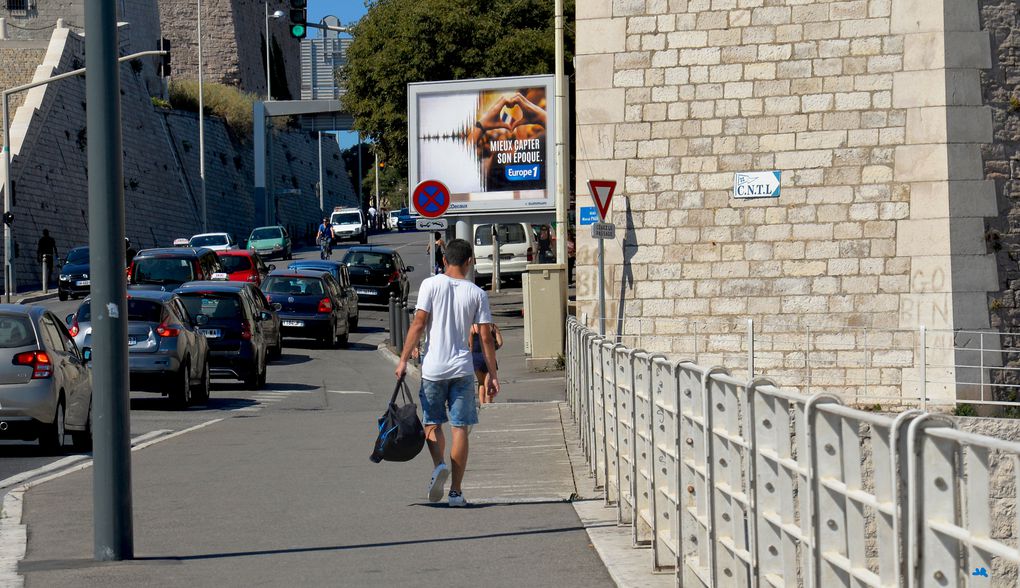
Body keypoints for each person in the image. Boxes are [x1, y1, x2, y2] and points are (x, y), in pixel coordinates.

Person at [396, 239, 499, 508]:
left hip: (433, 368)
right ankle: (456, 492)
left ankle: (439, 465)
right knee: (460, 428)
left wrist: (403, 360)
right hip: (463, 370)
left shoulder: (430, 285)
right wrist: (492, 374)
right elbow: (486, 338)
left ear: (444, 261)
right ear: (469, 262)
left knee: (432, 422)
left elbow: (418, 325)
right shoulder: (477, 293)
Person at [470, 322, 503, 406]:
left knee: (481, 383)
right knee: (488, 382)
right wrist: (493, 348)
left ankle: (481, 403)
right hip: (488, 357)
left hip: (476, 358)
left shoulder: (472, 327)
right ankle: (488, 403)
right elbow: (500, 342)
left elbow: (470, 345)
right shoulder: (492, 326)